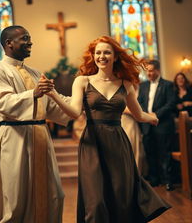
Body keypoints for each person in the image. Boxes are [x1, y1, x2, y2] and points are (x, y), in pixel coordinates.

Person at [45, 36, 170, 223]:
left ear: (115, 57)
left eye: (106, 52)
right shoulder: (82, 81)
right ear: (93, 56)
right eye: (98, 53)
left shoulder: (125, 84)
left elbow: (138, 114)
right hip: (92, 142)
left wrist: (152, 117)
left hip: (118, 143)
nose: (102, 56)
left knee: (121, 197)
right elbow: (74, 112)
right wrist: (53, 94)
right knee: (94, 201)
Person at [0, 25, 70, 223]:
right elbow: (2, 104)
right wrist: (34, 93)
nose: (30, 42)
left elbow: (51, 104)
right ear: (9, 43)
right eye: (24, 38)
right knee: (16, 200)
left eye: (29, 37)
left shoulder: (35, 72)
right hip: (15, 138)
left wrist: (82, 102)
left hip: (40, 136)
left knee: (53, 194)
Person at [138, 60, 176, 191]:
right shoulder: (143, 86)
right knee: (150, 153)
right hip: (147, 125)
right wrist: (146, 117)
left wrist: (155, 115)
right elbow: (140, 103)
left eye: (151, 70)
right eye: (147, 70)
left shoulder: (168, 85)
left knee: (164, 154)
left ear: (158, 70)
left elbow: (171, 104)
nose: (148, 73)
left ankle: (168, 181)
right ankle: (154, 180)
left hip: (163, 125)